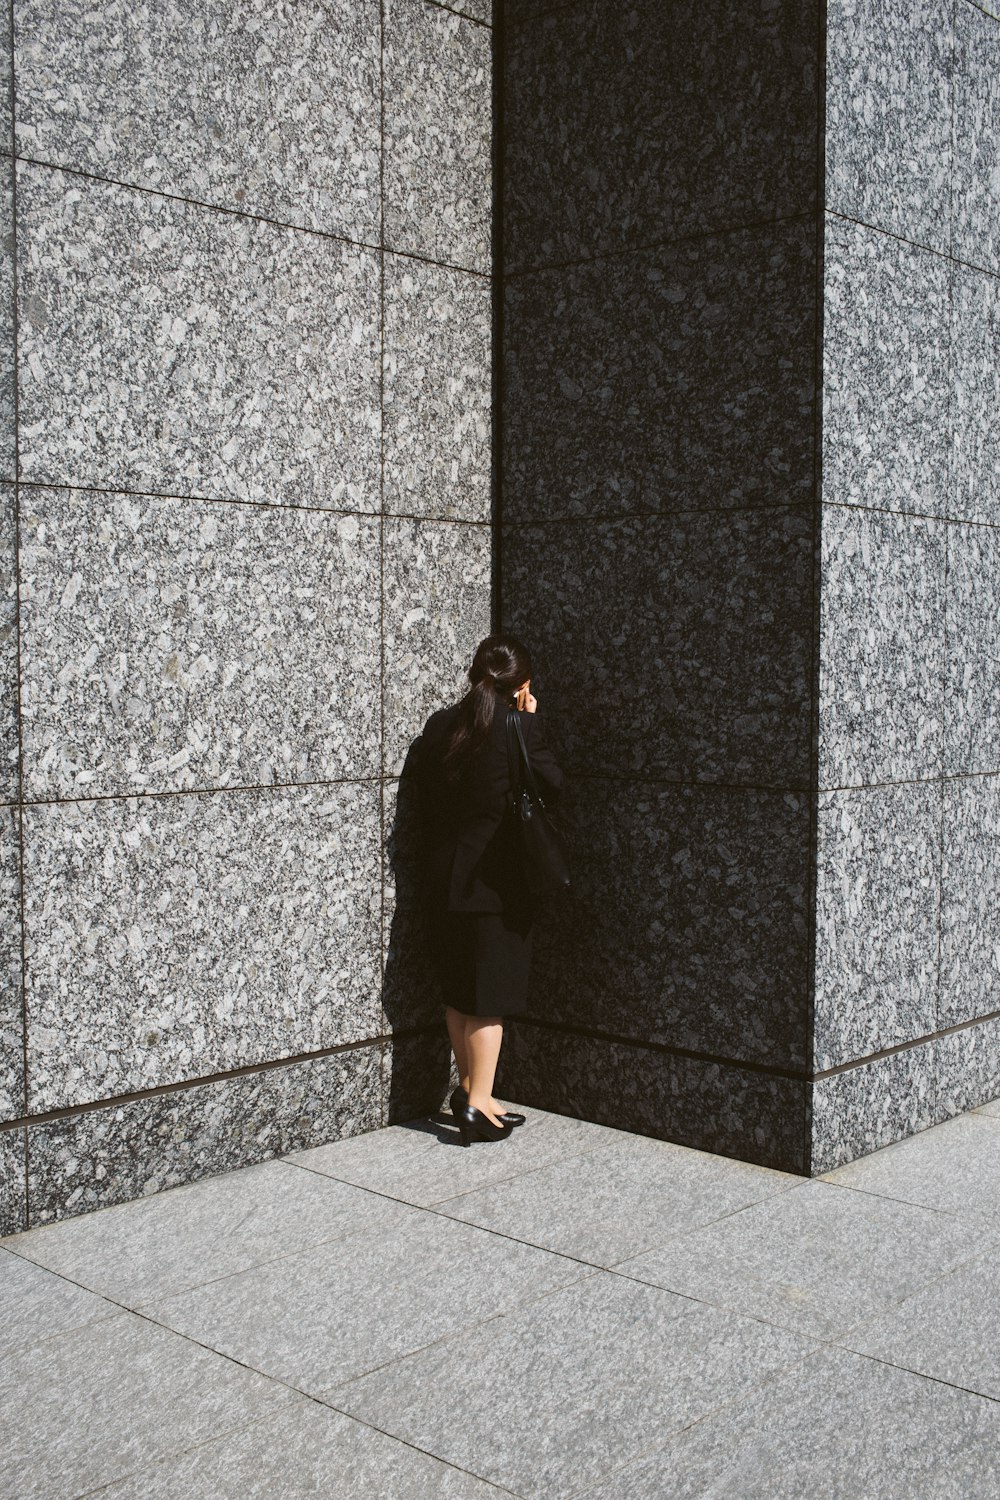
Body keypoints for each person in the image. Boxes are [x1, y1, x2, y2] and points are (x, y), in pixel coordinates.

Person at [413, 632, 564, 1146]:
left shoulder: (440, 725)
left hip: (443, 878)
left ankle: (474, 1089)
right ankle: (477, 1105)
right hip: (493, 882)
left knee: (459, 992)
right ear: (521, 686)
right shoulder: (515, 727)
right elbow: (555, 786)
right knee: (488, 1000)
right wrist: (531, 722)